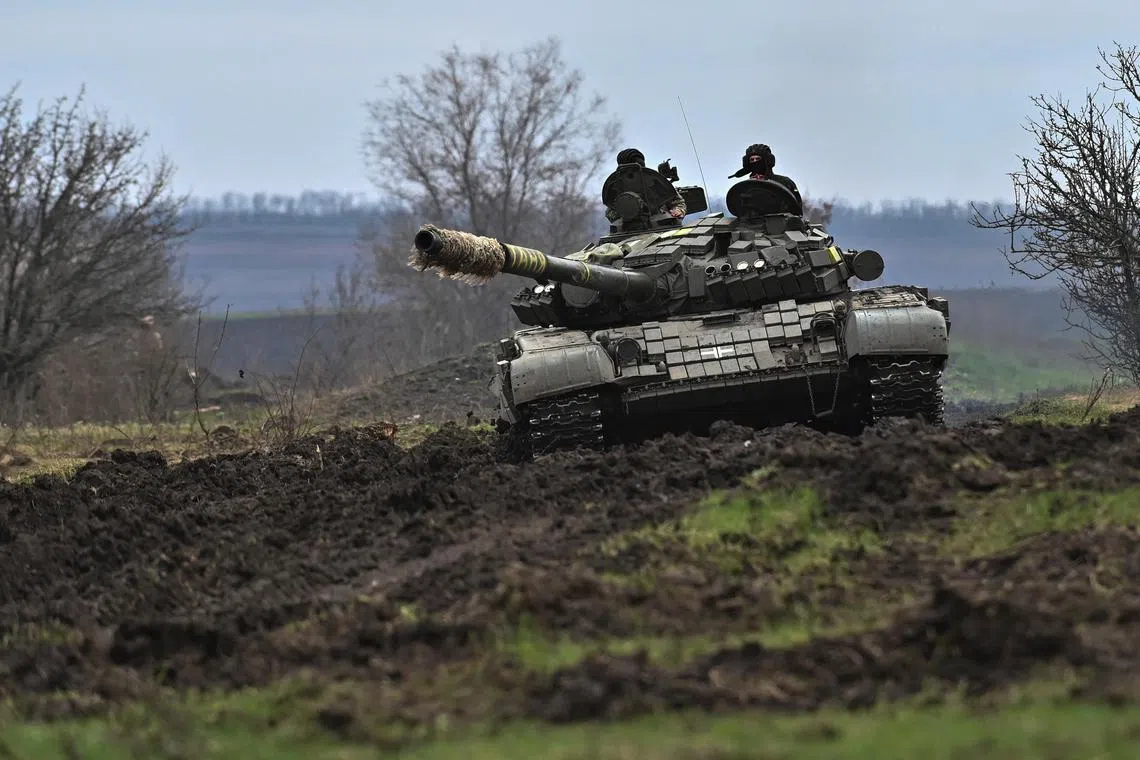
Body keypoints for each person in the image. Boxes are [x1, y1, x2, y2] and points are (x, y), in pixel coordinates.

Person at [605, 148, 687, 223]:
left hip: (661, 227)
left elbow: (679, 203)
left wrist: (677, 211)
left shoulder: (655, 182)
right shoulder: (617, 186)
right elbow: (610, 211)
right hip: (630, 231)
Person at [729, 143, 803, 208]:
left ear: (767, 161)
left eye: (758, 159)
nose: (755, 162)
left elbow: (796, 207)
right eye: (752, 160)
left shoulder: (784, 183)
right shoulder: (744, 187)